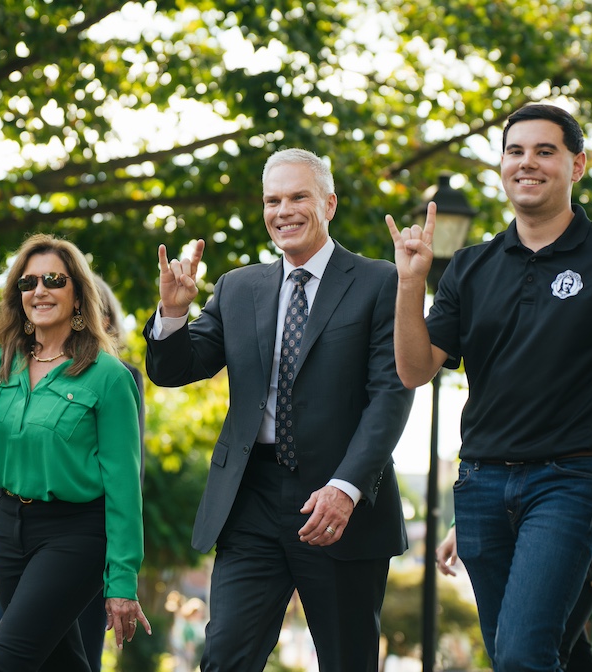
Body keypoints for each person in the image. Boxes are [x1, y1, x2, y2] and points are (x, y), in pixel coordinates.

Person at [386, 103, 592, 670]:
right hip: (479, 486)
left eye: (546, 151)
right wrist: (410, 283)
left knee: (523, 655)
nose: (529, 163)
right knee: (523, 657)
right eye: (516, 151)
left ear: (578, 165)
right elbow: (414, 369)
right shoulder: (470, 267)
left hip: (569, 480)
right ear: (500, 165)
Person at [144, 147, 414, 671]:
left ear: (329, 204)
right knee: (223, 658)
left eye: (298, 197)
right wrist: (173, 314)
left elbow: (391, 394)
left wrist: (347, 488)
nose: (283, 211)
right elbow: (177, 368)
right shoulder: (238, 287)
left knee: (348, 661)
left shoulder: (379, 282)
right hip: (251, 501)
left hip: (340, 502)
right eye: (272, 200)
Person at [0, 235, 150, 670]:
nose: (39, 290)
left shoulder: (108, 376)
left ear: (78, 293)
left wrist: (122, 581)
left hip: (75, 534)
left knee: (5, 659)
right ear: (17, 297)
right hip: (10, 531)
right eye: (28, 283)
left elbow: (124, 489)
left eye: (53, 280)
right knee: (58, 662)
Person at [435, 423, 592, 669]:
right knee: (549, 651)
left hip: (583, 543)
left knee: (539, 652)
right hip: (521, 539)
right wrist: (459, 524)